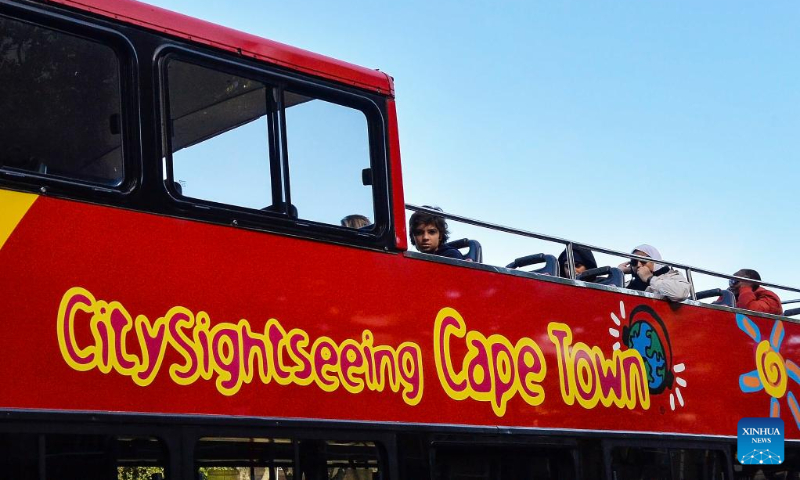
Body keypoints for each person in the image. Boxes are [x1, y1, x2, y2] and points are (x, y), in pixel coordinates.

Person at [618, 244, 690, 302]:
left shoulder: (670, 276)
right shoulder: (630, 283)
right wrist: (618, 273)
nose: (638, 265)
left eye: (643, 260)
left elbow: (680, 294)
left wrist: (650, 278)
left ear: (655, 261)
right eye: (634, 262)